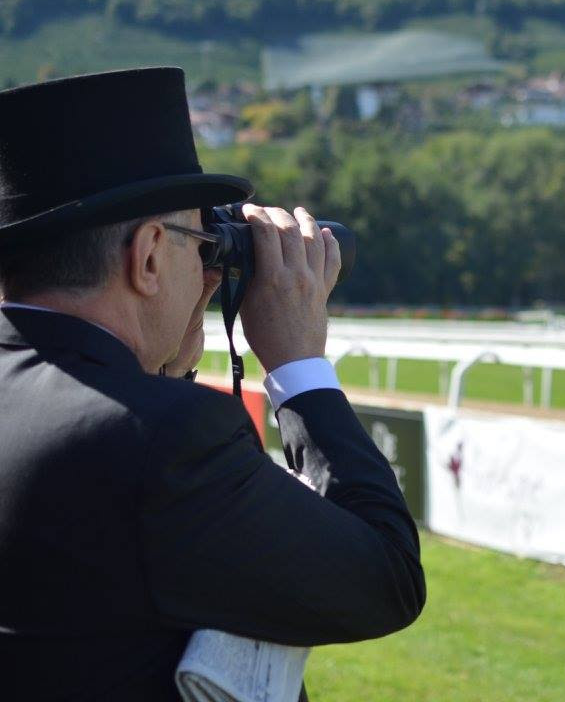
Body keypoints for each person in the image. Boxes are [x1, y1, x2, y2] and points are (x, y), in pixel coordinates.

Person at [0, 67, 426, 700]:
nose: (208, 264)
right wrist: (299, 365)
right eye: (198, 242)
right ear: (147, 255)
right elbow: (383, 579)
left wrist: (159, 363)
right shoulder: (164, 440)